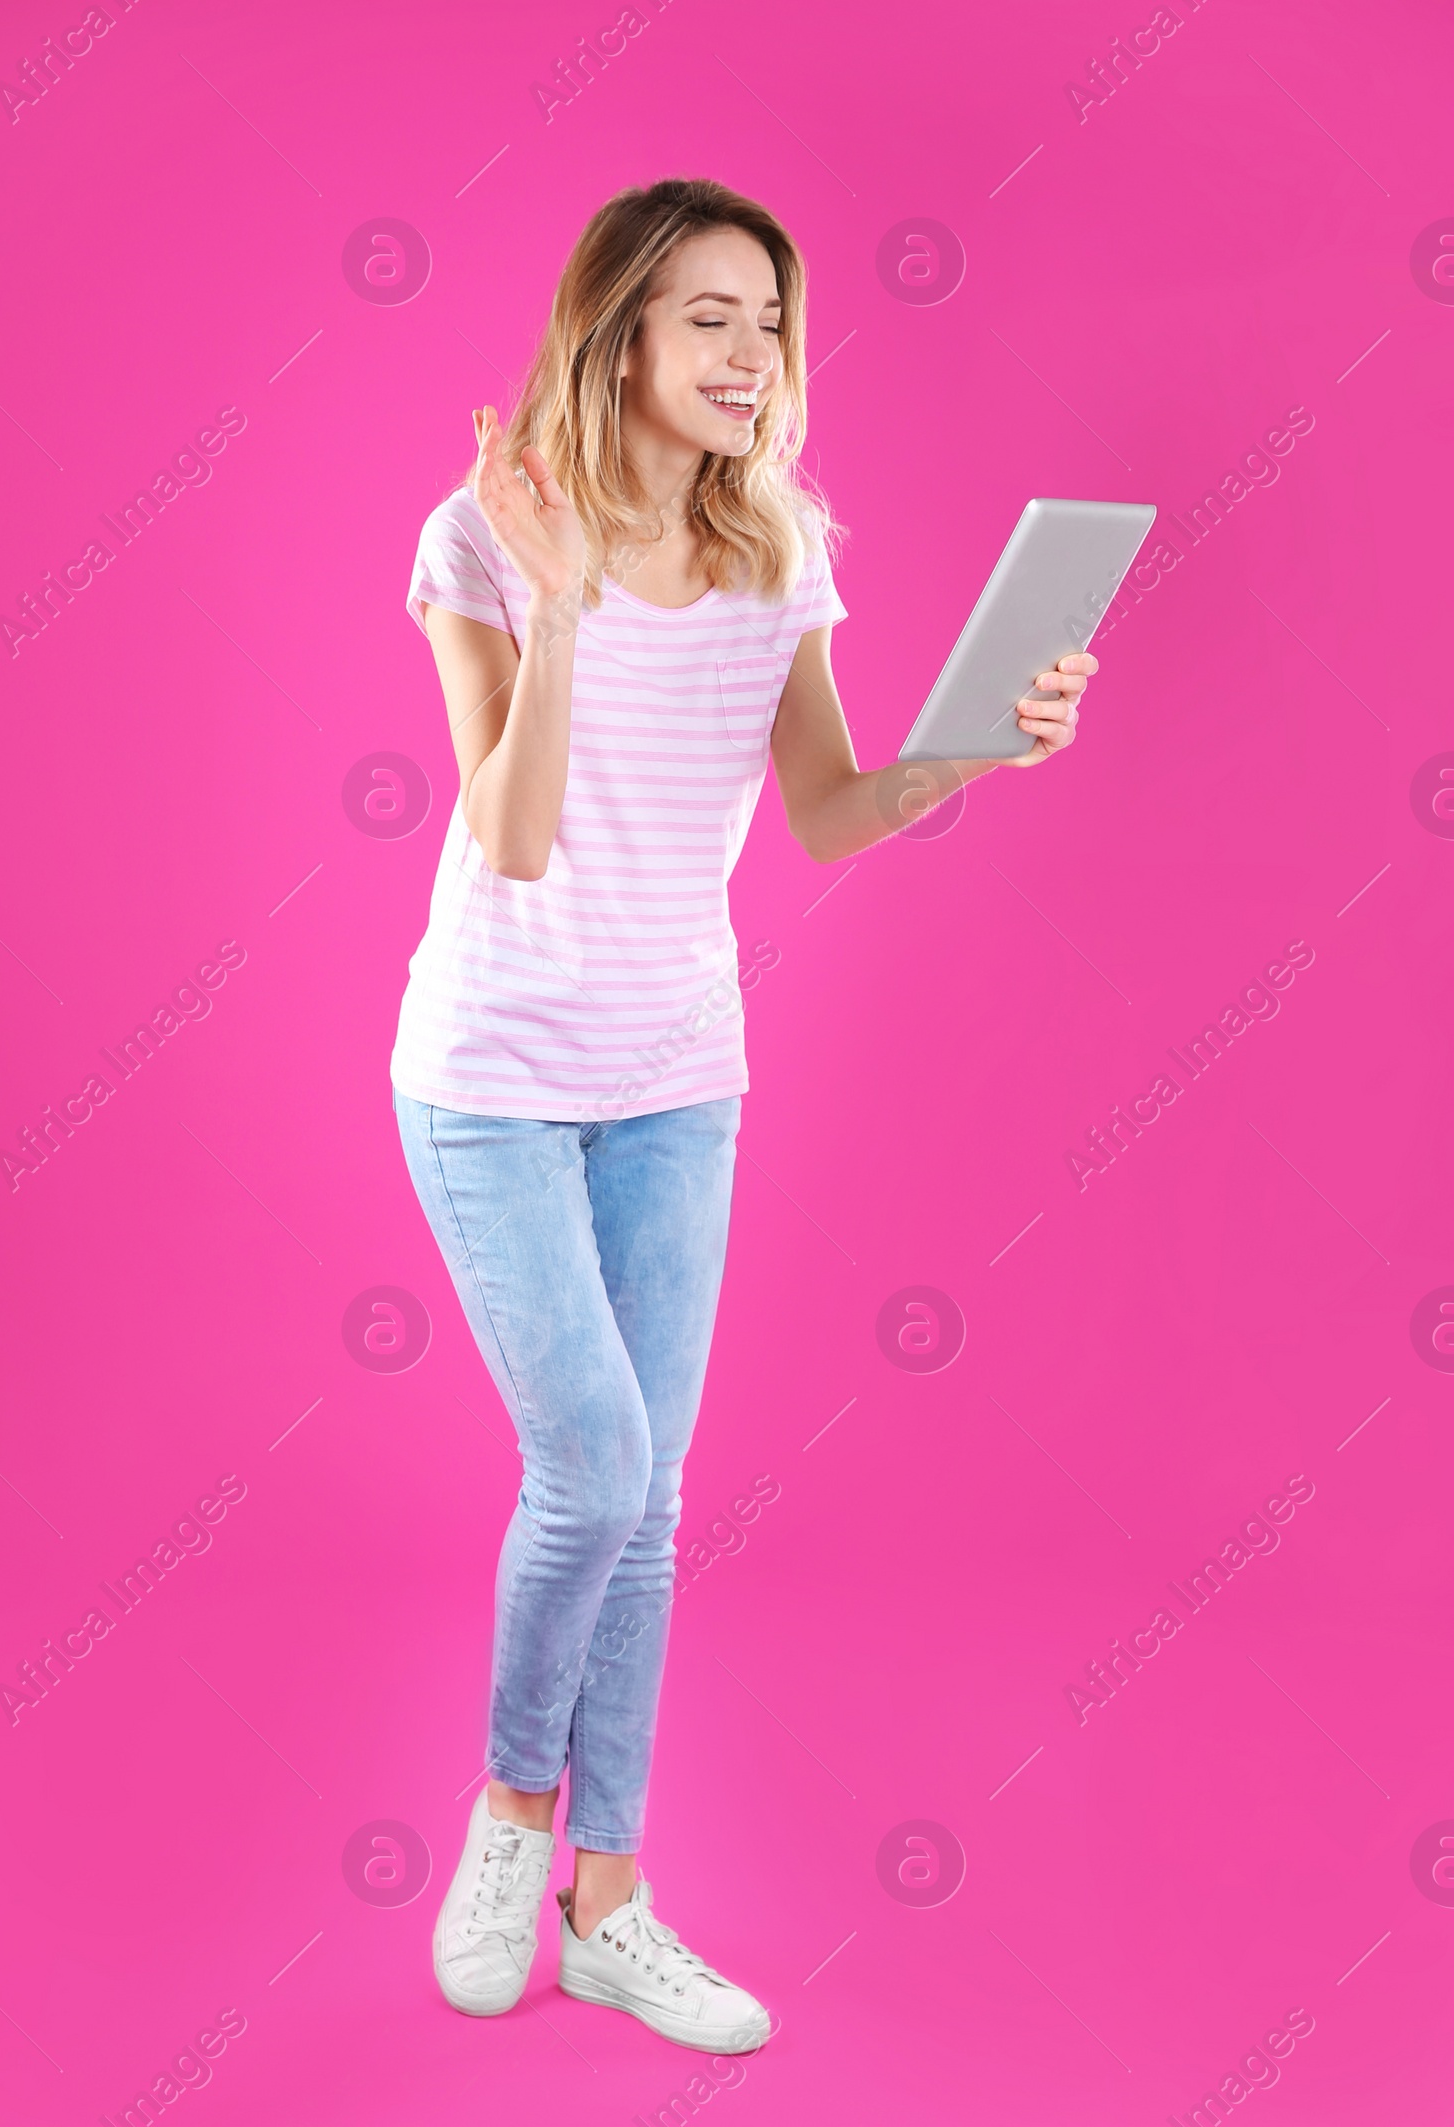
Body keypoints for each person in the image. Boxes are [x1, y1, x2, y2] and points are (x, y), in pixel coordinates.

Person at [390, 175, 1095, 2054]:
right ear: (617, 327)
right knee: (596, 1474)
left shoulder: (779, 546)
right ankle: (511, 1816)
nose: (751, 354)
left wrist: (977, 748)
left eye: (770, 322)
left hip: (680, 1077)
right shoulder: (483, 534)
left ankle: (608, 1903)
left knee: (656, 1500)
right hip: (494, 1080)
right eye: (710, 316)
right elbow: (516, 840)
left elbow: (827, 809)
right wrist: (554, 610)